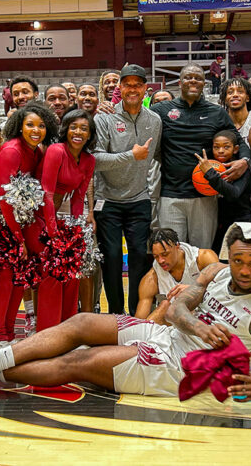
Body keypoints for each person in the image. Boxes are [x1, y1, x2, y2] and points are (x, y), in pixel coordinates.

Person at [0, 222, 251, 401]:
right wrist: (196, 325)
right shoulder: (215, 271)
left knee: (81, 362)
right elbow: (175, 307)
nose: (242, 269)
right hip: (166, 333)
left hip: (178, 368)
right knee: (81, 322)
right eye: (238, 259)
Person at [0, 103, 57, 344]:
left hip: (10, 213)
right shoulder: (11, 150)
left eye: (41, 126)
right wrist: (18, 238)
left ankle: (7, 331)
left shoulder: (36, 152)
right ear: (19, 126)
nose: (36, 130)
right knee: (7, 268)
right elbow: (5, 198)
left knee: (20, 270)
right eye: (30, 125)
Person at [151, 63, 251, 249]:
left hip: (205, 196)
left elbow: (239, 141)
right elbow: (136, 116)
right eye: (188, 77)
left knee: (202, 253)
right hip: (170, 196)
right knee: (171, 253)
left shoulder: (216, 112)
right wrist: (109, 109)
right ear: (179, 82)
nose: (193, 81)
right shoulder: (162, 110)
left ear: (204, 83)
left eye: (198, 78)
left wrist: (245, 161)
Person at [93, 64, 161, 315]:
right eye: (127, 84)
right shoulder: (104, 117)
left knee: (139, 259)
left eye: (137, 84)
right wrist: (131, 156)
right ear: (119, 88)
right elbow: (96, 160)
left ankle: (136, 314)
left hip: (139, 199)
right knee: (110, 259)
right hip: (107, 201)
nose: (132, 89)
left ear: (145, 89)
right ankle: (116, 315)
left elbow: (157, 157)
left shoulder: (154, 120)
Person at [30, 109, 96, 330]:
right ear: (65, 130)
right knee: (52, 274)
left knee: (72, 274)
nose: (78, 132)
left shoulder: (89, 160)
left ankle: (68, 329)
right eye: (73, 127)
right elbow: (47, 192)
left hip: (63, 219)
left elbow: (78, 198)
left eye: (84, 128)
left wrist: (75, 233)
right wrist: (52, 231)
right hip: (40, 217)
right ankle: (46, 330)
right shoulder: (56, 151)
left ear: (90, 134)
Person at [134, 228, 218, 320]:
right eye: (156, 256)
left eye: (165, 254)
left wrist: (194, 290)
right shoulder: (151, 278)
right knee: (165, 306)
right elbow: (139, 321)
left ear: (177, 246)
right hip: (173, 326)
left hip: (207, 317)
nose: (160, 261)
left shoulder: (204, 258)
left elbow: (223, 290)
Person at [197, 130, 251, 253]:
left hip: (241, 222)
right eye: (216, 147)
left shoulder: (241, 169)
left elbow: (233, 194)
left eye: (226, 147)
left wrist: (210, 174)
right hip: (221, 223)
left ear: (236, 149)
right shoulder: (212, 165)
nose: (221, 150)